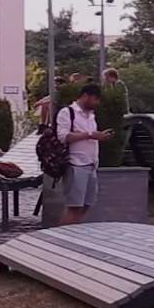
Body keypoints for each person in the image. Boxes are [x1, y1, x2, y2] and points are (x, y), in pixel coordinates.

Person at [56, 84, 113, 226]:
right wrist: (90, 135)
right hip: (76, 163)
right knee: (74, 206)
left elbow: (91, 137)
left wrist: (99, 136)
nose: (97, 103)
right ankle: (64, 232)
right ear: (85, 96)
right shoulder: (67, 112)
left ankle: (73, 228)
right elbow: (63, 137)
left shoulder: (91, 116)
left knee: (87, 203)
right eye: (95, 99)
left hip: (91, 164)